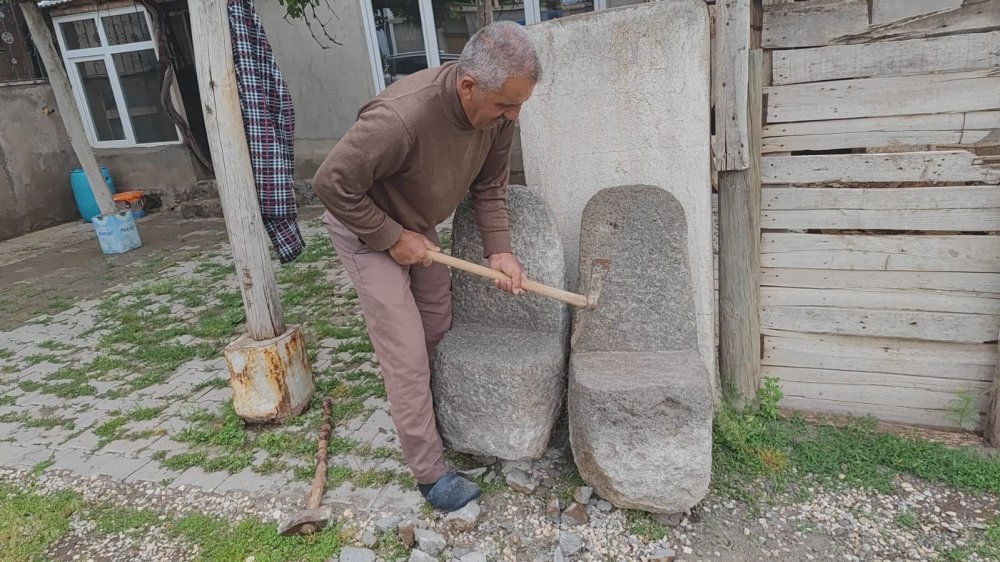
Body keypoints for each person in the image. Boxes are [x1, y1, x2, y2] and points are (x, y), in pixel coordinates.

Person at [311, 21, 541, 511]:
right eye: (506, 104)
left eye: (520, 104)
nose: (515, 116)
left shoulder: (497, 118)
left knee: (438, 326)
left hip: (417, 229)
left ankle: (440, 421)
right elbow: (330, 184)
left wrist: (499, 249)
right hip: (365, 229)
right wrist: (391, 238)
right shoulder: (400, 117)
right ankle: (429, 474)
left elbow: (489, 186)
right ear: (467, 86)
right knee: (406, 352)